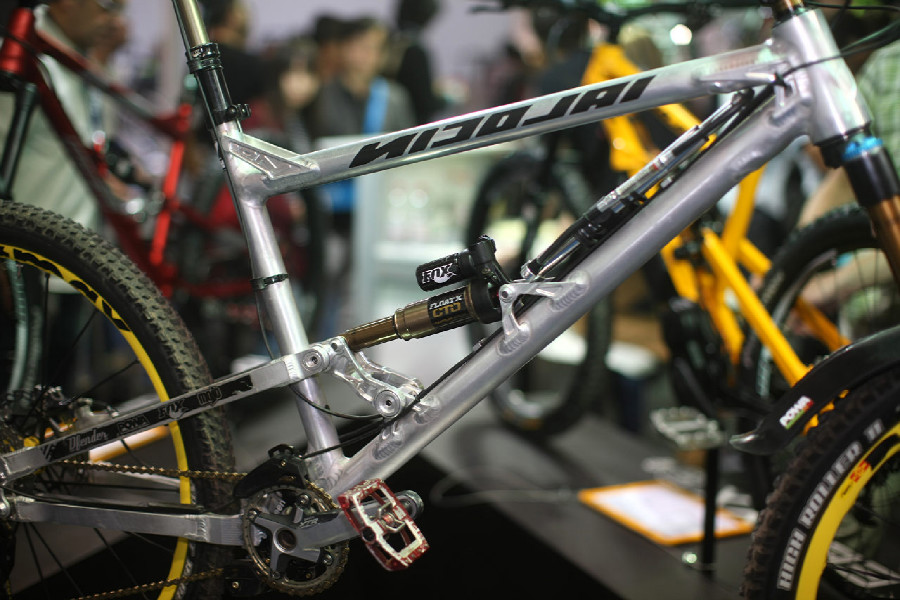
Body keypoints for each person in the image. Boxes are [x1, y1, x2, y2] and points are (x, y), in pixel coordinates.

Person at [0, 0, 126, 230]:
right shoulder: (17, 60)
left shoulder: (76, 62)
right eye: (109, 5)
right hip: (28, 244)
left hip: (72, 242)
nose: (116, 21)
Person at [386, 0, 444, 125]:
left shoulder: (389, 42)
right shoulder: (415, 52)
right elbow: (426, 102)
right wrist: (447, 99)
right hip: (411, 125)